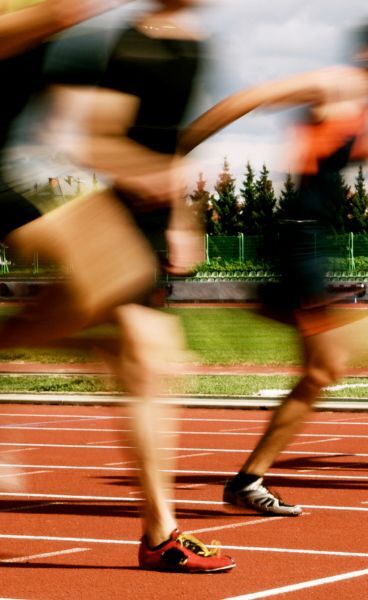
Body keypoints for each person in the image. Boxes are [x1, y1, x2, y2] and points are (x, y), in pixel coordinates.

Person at [0, 0, 235, 572]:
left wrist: (178, 209)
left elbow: (84, 130)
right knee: (123, 303)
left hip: (21, 175)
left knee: (150, 348)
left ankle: (161, 533)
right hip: (17, 177)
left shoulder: (112, 37)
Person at [178, 14, 368, 516]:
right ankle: (248, 482)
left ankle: (267, 306)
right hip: (298, 241)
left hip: (319, 242)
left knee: (337, 360)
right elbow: (246, 98)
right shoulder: (337, 85)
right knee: (328, 367)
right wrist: (173, 151)